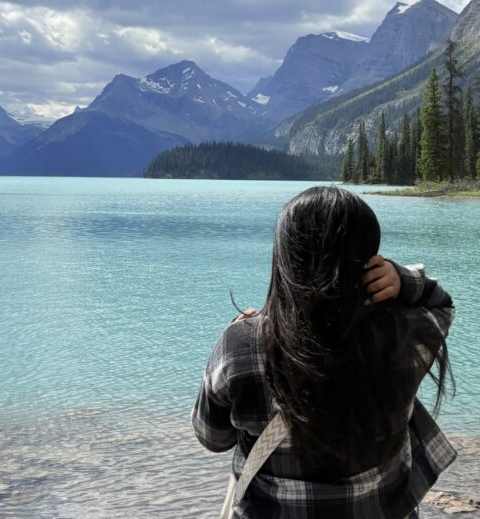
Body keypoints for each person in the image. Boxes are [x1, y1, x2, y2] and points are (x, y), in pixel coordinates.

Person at [192, 186, 455, 519]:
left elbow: (212, 437)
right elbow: (443, 304)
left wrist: (242, 338)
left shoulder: (240, 345)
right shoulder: (401, 336)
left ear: (286, 261)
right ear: (368, 261)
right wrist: (402, 280)